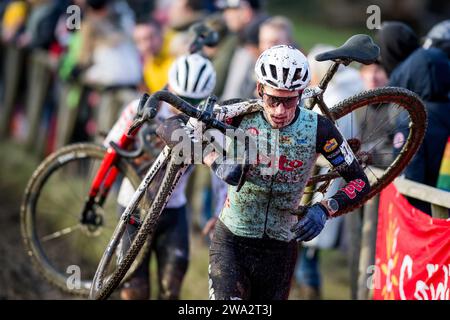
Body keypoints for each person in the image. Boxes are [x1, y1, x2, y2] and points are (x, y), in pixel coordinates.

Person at [157, 45, 371, 299]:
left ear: (301, 94)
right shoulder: (238, 113)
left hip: (281, 249)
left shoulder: (320, 129)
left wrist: (325, 208)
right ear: (260, 90)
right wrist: (212, 159)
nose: (280, 110)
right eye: (273, 99)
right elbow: (170, 126)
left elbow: (359, 181)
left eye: (289, 100)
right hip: (232, 241)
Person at [105, 53, 219, 300]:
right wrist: (139, 153)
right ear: (169, 88)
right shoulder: (140, 108)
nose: (185, 107)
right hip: (133, 207)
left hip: (173, 211)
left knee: (171, 289)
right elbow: (109, 148)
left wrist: (219, 212)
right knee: (134, 290)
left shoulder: (207, 122)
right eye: (180, 98)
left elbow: (221, 170)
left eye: (194, 101)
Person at [133, 20, 174, 94]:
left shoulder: (177, 54)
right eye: (139, 41)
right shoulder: (146, 66)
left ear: (161, 33)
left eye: (150, 37)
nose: (146, 45)